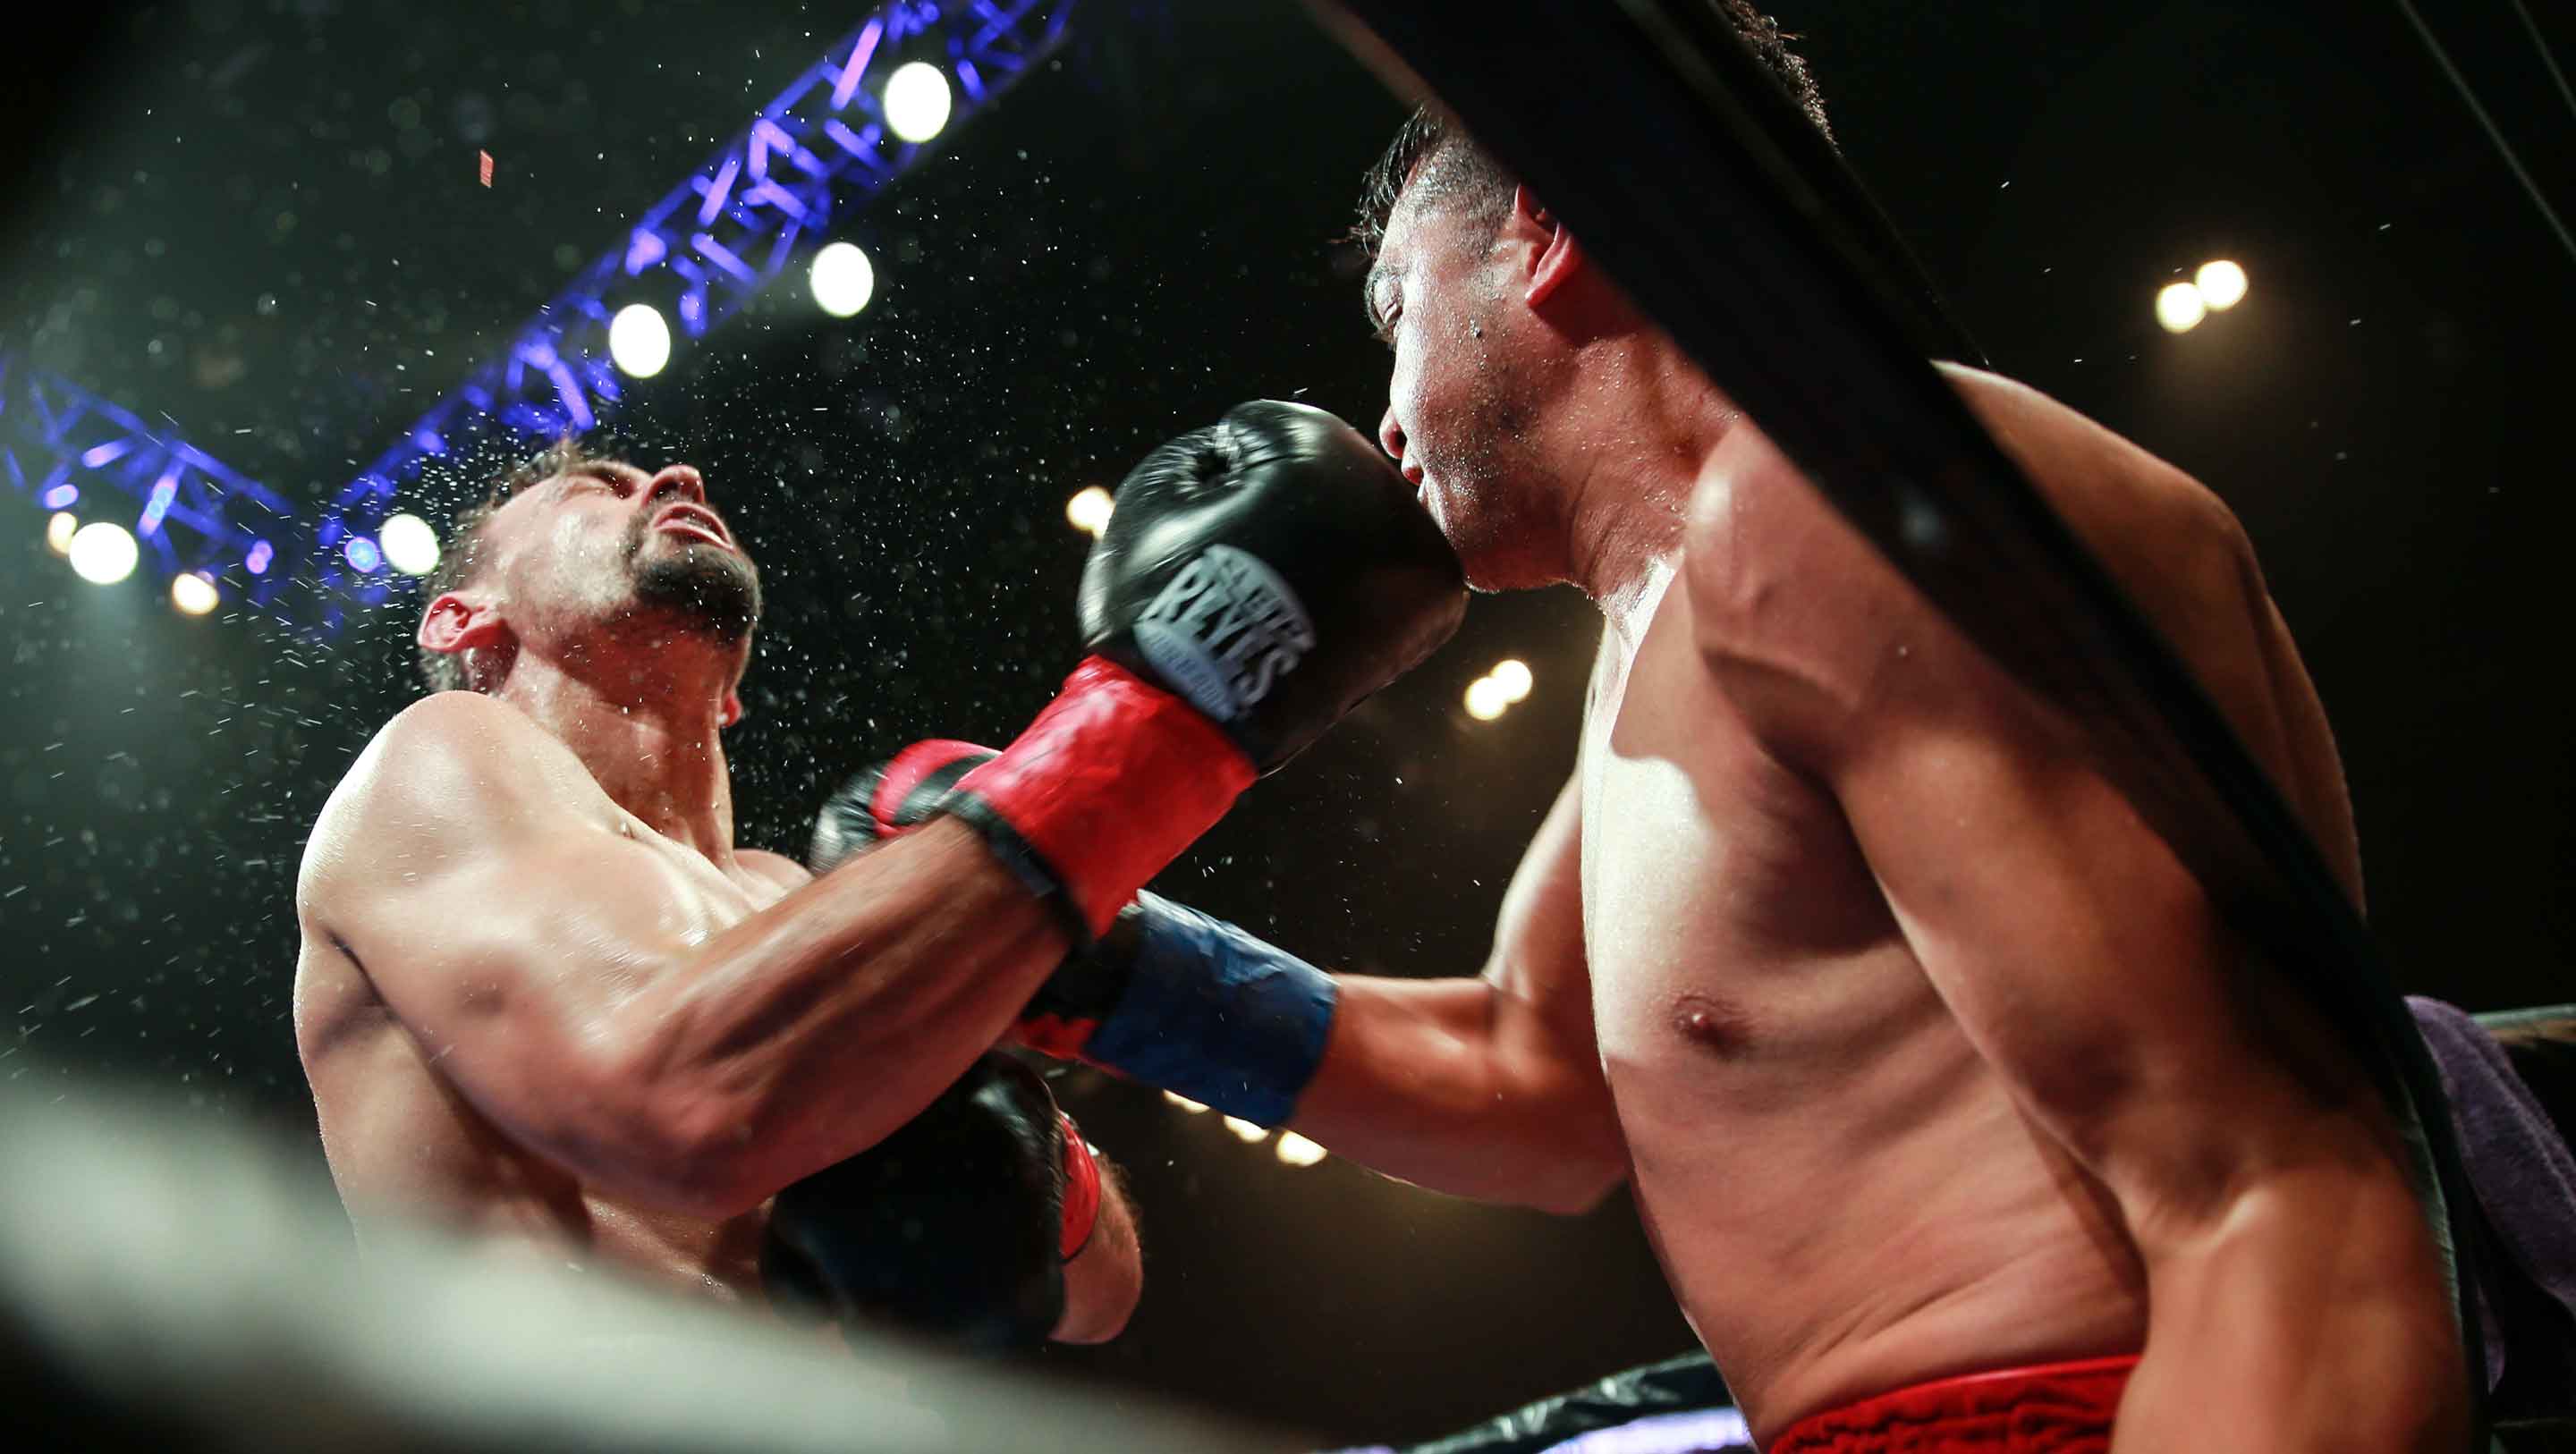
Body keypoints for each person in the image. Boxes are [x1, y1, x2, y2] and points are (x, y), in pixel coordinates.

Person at [865, 8, 2576, 1450]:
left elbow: (2283, 1197)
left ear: (1540, 229)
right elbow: (1533, 1083)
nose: (1376, 406)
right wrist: (1114, 965)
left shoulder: (1824, 526)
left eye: (1394, 309)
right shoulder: (1670, 639)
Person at [291, 414, 1463, 1352]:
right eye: (599, 485)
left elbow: (1103, 1289)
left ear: (732, 695)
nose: (671, 474)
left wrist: (1011, 1141)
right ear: (463, 619)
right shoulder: (441, 755)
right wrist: (1172, 700)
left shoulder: (808, 900)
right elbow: (676, 1095)